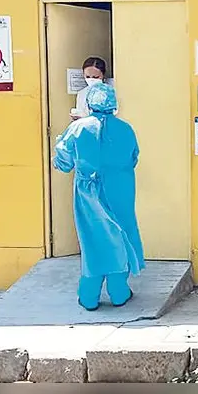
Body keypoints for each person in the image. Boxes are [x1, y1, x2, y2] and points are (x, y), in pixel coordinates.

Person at [54, 82, 145, 310]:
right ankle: (119, 292)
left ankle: (89, 295)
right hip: (120, 188)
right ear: (114, 104)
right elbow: (133, 157)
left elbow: (62, 160)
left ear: (89, 103)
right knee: (120, 232)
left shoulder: (78, 128)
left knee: (92, 238)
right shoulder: (125, 129)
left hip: (88, 191)